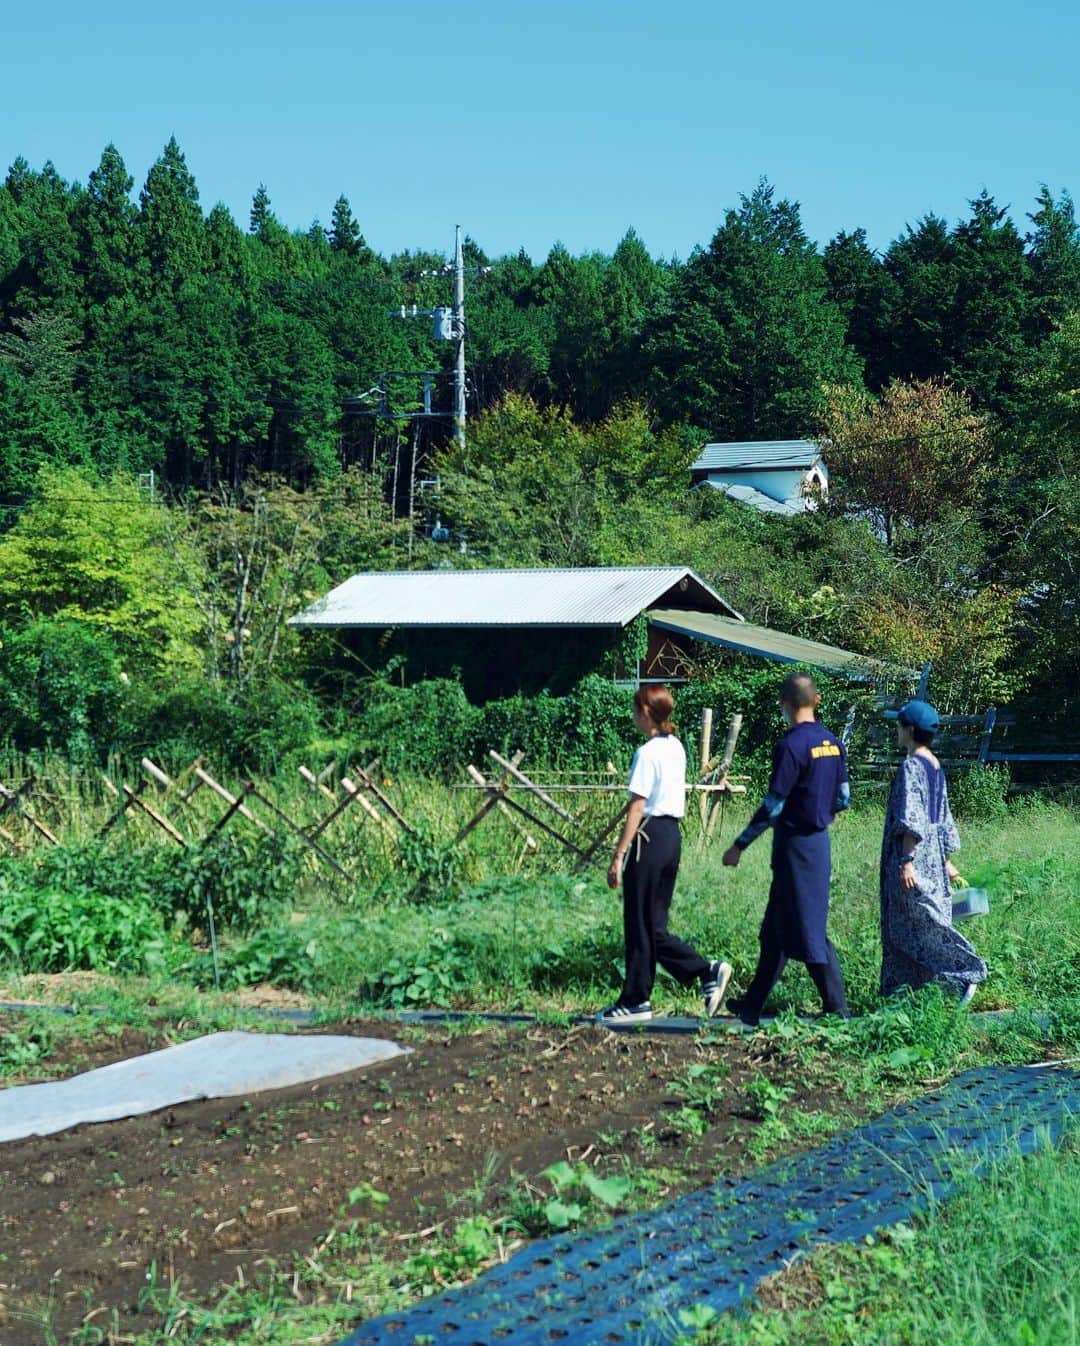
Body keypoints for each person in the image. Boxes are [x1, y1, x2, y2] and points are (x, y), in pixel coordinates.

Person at [722, 672, 850, 1026]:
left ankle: (837, 1008)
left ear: (785, 704)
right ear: (817, 700)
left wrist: (739, 845)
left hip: (796, 847)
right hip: (818, 843)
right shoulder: (833, 743)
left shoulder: (791, 746)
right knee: (776, 929)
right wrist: (818, 812)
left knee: (808, 928)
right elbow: (843, 799)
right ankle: (751, 1007)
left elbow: (773, 806)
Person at [599, 684, 732, 1025]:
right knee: (654, 925)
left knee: (639, 923)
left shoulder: (647, 753)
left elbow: (637, 805)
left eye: (634, 711)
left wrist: (618, 855)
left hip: (648, 835)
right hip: (672, 836)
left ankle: (636, 999)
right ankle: (705, 972)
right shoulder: (676, 748)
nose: (633, 717)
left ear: (645, 712)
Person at [879, 699, 987, 1004]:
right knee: (922, 922)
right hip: (933, 861)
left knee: (915, 927)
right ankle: (909, 996)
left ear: (910, 730)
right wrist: (947, 862)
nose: (896, 731)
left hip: (913, 860)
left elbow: (911, 818)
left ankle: (964, 974)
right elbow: (941, 819)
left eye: (899, 726)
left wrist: (906, 861)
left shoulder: (912, 767)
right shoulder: (934, 765)